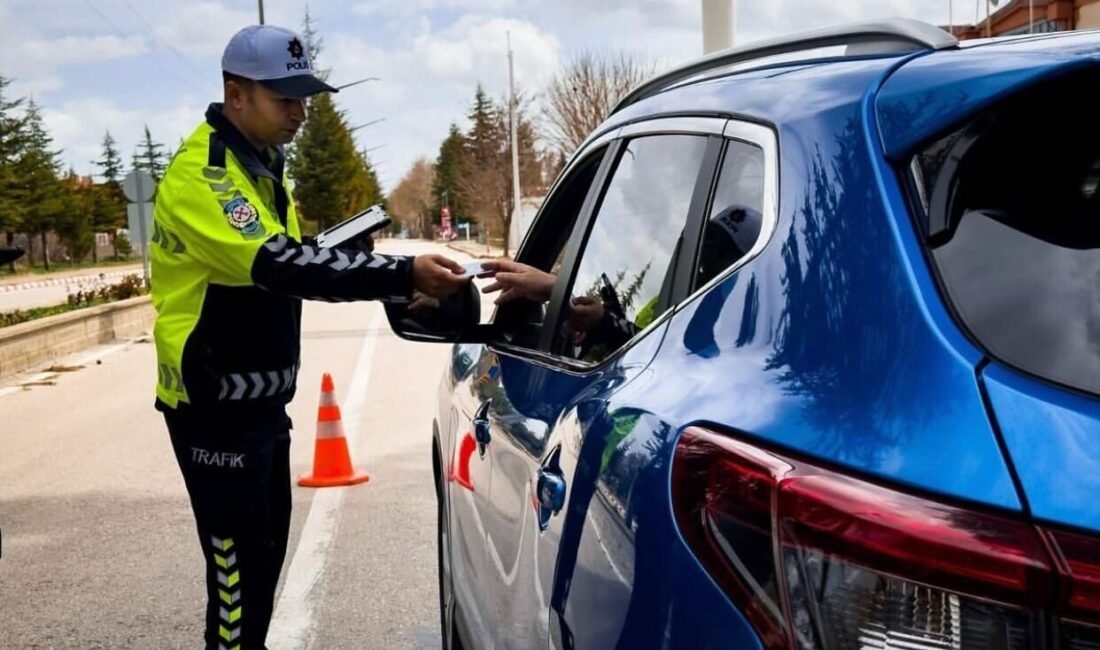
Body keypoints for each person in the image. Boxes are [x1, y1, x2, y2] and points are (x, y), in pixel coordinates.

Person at [150, 24, 468, 649]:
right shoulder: (207, 175)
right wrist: (401, 273)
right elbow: (279, 265)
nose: (300, 112)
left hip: (260, 403)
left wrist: (358, 265)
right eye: (285, 98)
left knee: (262, 565)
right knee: (238, 586)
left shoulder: (262, 169)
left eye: (305, 98)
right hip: (213, 408)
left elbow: (284, 265)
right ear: (236, 95)